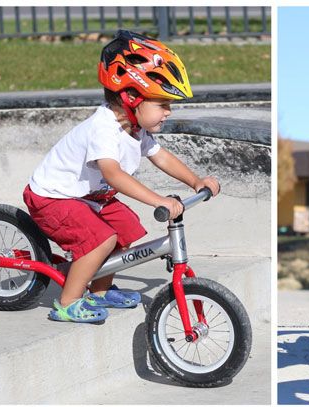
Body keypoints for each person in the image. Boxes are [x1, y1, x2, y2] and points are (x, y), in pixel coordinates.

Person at [24, 30, 220, 323]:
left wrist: (195, 181)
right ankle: (67, 302)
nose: (168, 112)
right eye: (162, 104)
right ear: (130, 97)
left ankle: (99, 292)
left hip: (90, 197)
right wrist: (158, 200)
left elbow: (161, 156)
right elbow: (113, 175)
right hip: (54, 197)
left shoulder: (135, 128)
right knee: (100, 240)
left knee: (126, 229)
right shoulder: (104, 129)